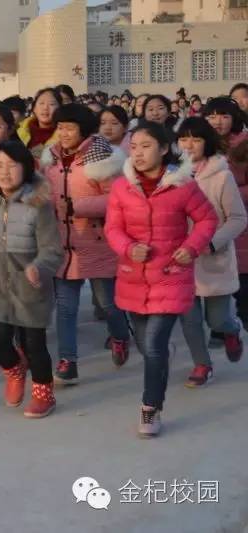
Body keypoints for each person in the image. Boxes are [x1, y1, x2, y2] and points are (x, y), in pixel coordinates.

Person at [105, 121, 218, 438]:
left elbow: (207, 219)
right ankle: (160, 364)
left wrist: (191, 248)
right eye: (135, 146)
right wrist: (128, 248)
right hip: (133, 277)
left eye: (146, 146)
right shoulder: (121, 187)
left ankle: (150, 407)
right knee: (147, 345)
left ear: (165, 148)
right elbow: (113, 228)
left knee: (154, 345)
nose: (138, 153)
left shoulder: (183, 185)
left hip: (171, 275)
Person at [0, 140, 63, 417]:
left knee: (33, 344)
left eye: (12, 165)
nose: (5, 172)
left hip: (29, 283)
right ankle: (13, 370)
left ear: (26, 168)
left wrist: (39, 268)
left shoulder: (38, 203)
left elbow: (52, 248)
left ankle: (44, 394)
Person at [41, 104, 131, 385]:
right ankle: (68, 361)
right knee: (66, 307)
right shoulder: (51, 160)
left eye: (70, 127)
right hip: (64, 244)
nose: (64, 133)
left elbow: (117, 199)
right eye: (60, 127)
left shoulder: (101, 156)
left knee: (108, 303)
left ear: (83, 129)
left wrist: (77, 206)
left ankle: (119, 335)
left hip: (97, 242)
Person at [175, 117, 246, 388]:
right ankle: (202, 363)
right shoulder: (171, 174)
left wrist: (213, 242)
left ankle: (232, 330)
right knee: (190, 319)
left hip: (212, 256)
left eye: (196, 139)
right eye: (183, 138)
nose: (189, 145)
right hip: (180, 258)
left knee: (217, 318)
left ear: (207, 143)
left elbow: (238, 218)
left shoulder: (221, 175)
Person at [202, 97, 248, 335]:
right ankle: (221, 330)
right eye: (211, 116)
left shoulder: (244, 144)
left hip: (239, 224)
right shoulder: (199, 144)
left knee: (241, 284)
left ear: (235, 118)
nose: (217, 122)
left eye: (224, 116)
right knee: (215, 284)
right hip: (209, 225)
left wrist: (225, 191)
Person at [17, 88, 60, 159]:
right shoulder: (20, 132)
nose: (45, 108)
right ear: (34, 108)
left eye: (51, 104)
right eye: (41, 103)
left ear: (59, 108)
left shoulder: (65, 137)